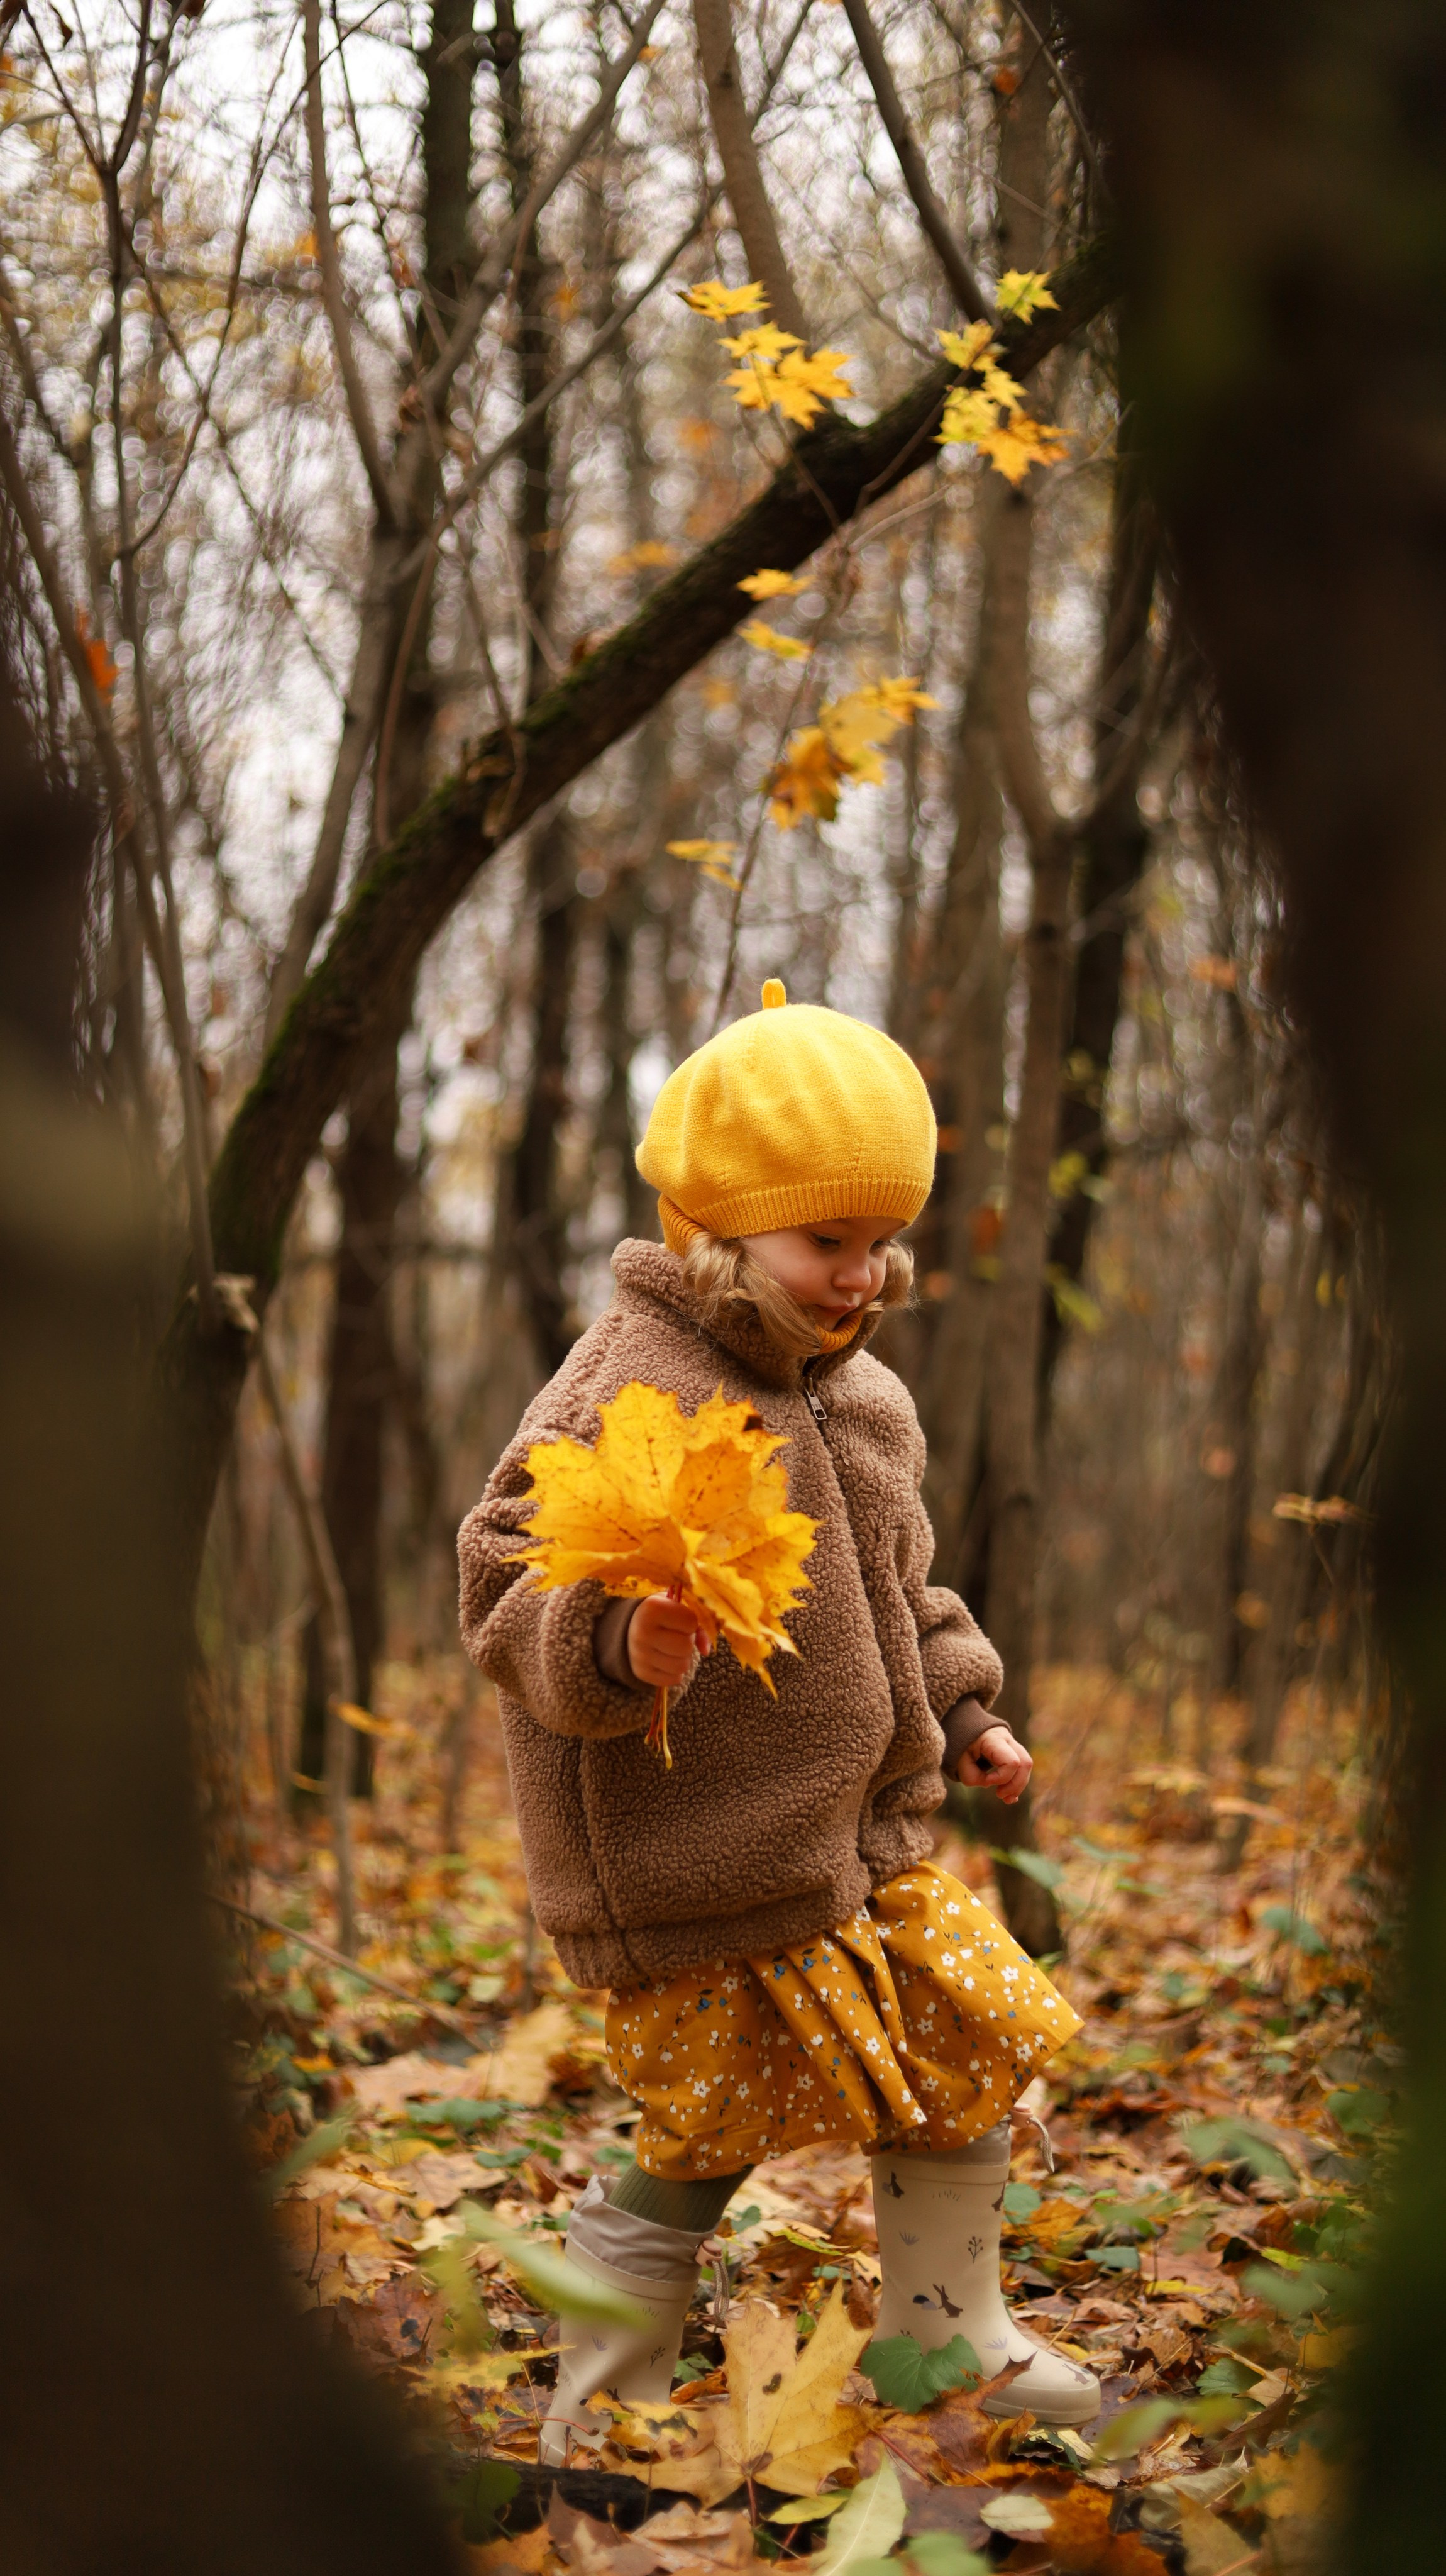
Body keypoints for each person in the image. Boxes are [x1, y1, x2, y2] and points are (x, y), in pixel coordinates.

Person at [458, 980, 1095, 2463]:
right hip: (695, 1856)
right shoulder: (633, 1375)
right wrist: (618, 1637)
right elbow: (499, 1573)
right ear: (714, 1228)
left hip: (860, 1843)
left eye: (882, 1242)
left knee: (964, 2041)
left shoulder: (864, 1398)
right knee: (706, 2132)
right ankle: (603, 2369)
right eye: (828, 1241)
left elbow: (905, 1587)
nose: (861, 1274)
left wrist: (967, 1703)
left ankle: (946, 2324)